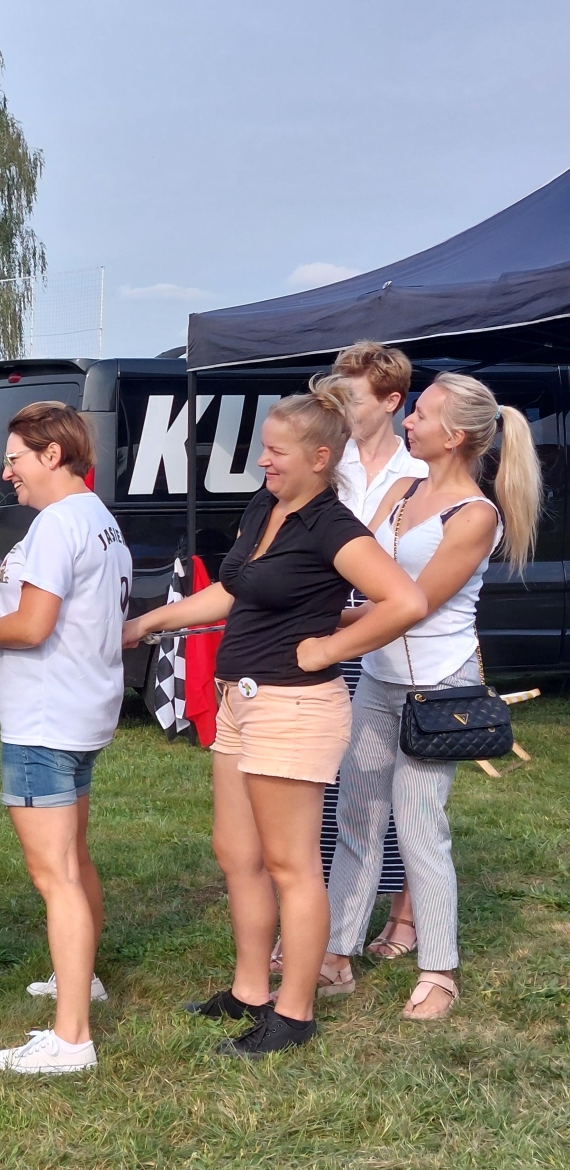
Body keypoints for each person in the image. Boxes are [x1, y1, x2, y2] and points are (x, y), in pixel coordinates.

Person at [123, 382, 426, 1058]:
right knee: (237, 854)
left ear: (320, 458)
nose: (263, 460)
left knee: (292, 865)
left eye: (276, 451)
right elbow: (232, 591)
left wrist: (329, 648)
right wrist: (148, 623)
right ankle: (250, 990)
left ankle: (295, 1014)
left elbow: (404, 601)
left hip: (294, 707)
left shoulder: (334, 527)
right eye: (264, 447)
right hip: (240, 700)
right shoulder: (266, 506)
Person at [324, 373, 541, 1019]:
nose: (408, 422)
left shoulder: (476, 515)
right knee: (356, 817)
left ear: (456, 437)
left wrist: (325, 632)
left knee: (421, 827)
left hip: (438, 690)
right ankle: (335, 953)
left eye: (421, 414)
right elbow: (352, 567)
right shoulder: (400, 490)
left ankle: (439, 970)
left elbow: (412, 606)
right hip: (378, 677)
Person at [0, 402, 131, 1076]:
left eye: (15, 460)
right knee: (74, 860)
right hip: (81, 709)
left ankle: (71, 1039)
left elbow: (32, 626)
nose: (7, 474)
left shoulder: (59, 523)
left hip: (46, 718)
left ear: (52, 455)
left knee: (54, 874)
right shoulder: (96, 516)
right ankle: (79, 980)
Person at [311, 343, 428, 967]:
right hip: (331, 620)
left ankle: (405, 913)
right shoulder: (328, 462)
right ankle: (322, 919)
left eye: (351, 397)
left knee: (411, 782)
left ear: (391, 401)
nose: (339, 407)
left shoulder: (422, 469)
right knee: (335, 779)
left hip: (401, 631)